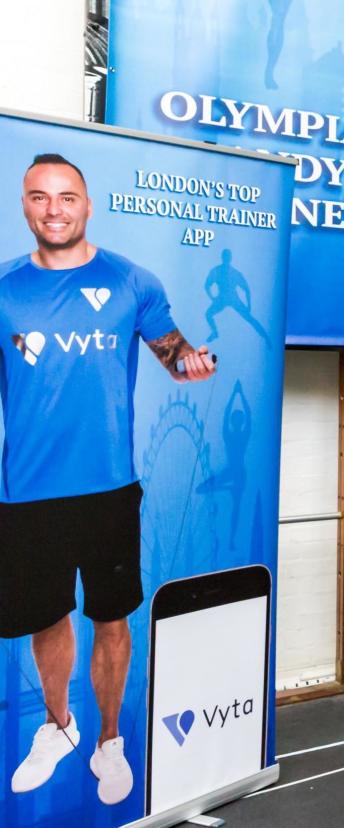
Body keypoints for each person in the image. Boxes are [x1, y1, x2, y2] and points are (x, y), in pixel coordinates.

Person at [0, 154, 216, 806]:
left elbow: (174, 354)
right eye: (40, 198)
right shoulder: (5, 288)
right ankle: (60, 726)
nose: (55, 210)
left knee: (112, 620)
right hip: (28, 493)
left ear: (88, 205)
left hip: (109, 490)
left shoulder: (131, 281)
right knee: (47, 618)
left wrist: (192, 361)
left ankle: (108, 741)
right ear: (25, 206)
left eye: (68, 198)